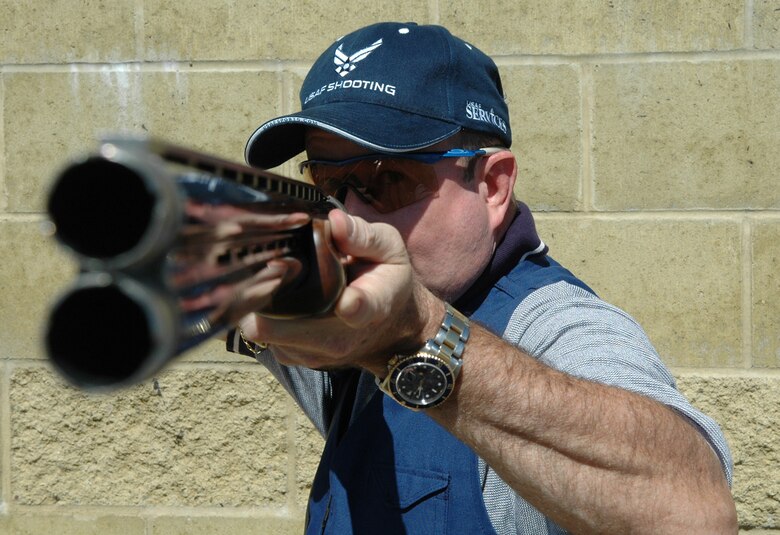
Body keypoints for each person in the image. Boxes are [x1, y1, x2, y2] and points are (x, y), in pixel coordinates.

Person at [227, 22, 737, 534]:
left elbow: (694, 515)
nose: (351, 215)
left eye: (389, 180)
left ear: (493, 186)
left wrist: (419, 335)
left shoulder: (556, 328)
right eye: (329, 182)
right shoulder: (356, 301)